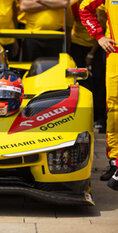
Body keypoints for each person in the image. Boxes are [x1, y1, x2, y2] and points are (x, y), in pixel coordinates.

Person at [80, 0, 118, 190]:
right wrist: (99, 36)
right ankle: (114, 162)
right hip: (115, 54)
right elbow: (84, 9)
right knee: (114, 109)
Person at [66, 0, 106, 131]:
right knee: (79, 82)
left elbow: (102, 29)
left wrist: (91, 54)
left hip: (98, 44)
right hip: (78, 45)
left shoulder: (98, 5)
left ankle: (100, 118)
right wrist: (67, 51)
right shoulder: (73, 5)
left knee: (100, 81)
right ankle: (79, 116)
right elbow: (68, 28)